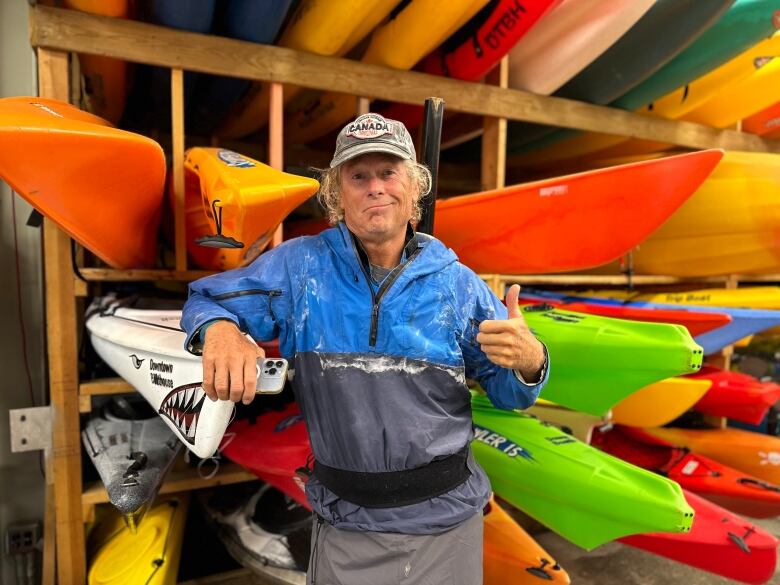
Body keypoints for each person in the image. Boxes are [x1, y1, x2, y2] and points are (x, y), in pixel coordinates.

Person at [181, 112, 549, 585]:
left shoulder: (459, 286)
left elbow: (512, 394)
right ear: (337, 197)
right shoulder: (300, 268)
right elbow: (206, 296)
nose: (375, 187)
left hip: (447, 525)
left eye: (388, 172)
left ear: (413, 189)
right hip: (346, 525)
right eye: (359, 176)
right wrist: (221, 331)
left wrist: (531, 359)